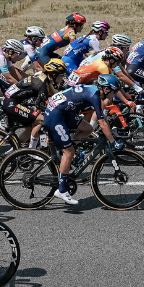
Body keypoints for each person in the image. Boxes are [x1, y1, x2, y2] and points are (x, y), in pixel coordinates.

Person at [33, 76, 122, 206]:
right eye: (114, 92)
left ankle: (66, 149)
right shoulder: (94, 96)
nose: (114, 95)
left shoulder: (94, 91)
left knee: (88, 129)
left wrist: (109, 132)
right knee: (69, 151)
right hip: (56, 115)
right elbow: (102, 123)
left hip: (63, 111)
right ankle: (62, 190)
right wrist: (113, 142)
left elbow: (101, 117)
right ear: (106, 89)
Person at [1, 59, 67, 144]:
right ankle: (33, 151)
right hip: (10, 103)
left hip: (9, 100)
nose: (62, 78)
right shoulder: (41, 86)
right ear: (54, 75)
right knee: (40, 121)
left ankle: (17, 151)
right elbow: (38, 108)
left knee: (31, 126)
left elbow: (52, 95)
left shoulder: (42, 76)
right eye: (61, 75)